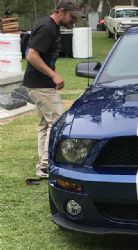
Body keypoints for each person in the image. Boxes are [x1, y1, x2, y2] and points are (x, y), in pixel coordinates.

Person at [22, 0, 82, 178]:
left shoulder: (53, 27)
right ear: (61, 11)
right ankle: (46, 165)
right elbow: (31, 55)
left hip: (41, 83)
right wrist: (53, 75)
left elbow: (44, 56)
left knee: (44, 125)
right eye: (72, 17)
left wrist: (53, 74)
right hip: (40, 85)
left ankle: (43, 165)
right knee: (57, 123)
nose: (74, 21)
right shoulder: (47, 28)